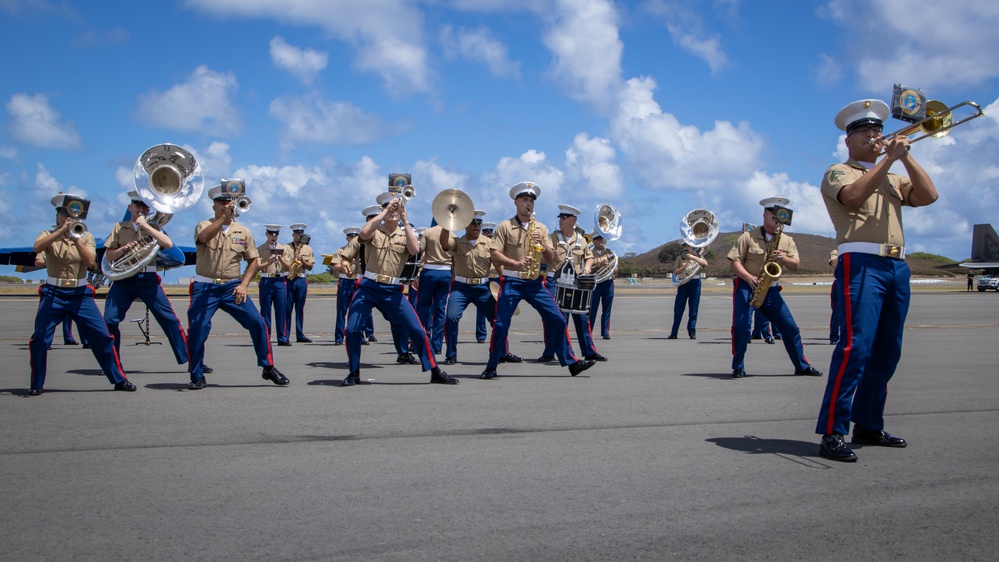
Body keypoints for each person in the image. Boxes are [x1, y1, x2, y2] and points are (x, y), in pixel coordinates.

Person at [815, 99, 938, 462]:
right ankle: (833, 430)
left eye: (877, 131)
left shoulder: (894, 175)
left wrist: (905, 158)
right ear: (848, 140)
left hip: (896, 267)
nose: (874, 136)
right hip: (862, 263)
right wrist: (887, 160)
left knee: (887, 351)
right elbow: (853, 198)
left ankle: (868, 423)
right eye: (865, 132)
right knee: (856, 348)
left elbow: (929, 196)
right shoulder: (840, 171)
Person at [339, 191, 458, 386]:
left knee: (417, 330)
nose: (394, 210)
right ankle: (354, 372)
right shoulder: (375, 231)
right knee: (352, 329)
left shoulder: (405, 233)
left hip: (392, 289)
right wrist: (385, 212)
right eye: (389, 207)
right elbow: (363, 234)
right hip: (369, 286)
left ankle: (434, 370)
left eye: (397, 207)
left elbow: (414, 250)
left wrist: (405, 218)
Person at [480, 182, 596, 380]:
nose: (529, 204)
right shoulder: (505, 226)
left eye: (531, 201)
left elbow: (551, 258)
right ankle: (491, 366)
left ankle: (571, 363)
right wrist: (515, 263)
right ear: (516, 202)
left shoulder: (541, 228)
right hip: (512, 282)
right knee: (501, 325)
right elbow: (494, 255)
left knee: (558, 320)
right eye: (525, 200)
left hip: (535, 283)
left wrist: (543, 243)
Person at [27, 194, 136, 395]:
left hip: (79, 293)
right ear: (58, 215)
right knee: (41, 339)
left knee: (102, 336)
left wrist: (75, 239)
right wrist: (60, 232)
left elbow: (90, 262)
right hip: (54, 293)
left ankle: (119, 379)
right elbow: (37, 248)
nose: (68, 219)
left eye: (73, 216)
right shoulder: (47, 234)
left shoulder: (86, 237)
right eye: (64, 215)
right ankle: (37, 383)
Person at [186, 182, 289, 390]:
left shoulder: (243, 232)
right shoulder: (203, 225)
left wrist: (244, 285)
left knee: (257, 323)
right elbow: (204, 238)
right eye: (222, 202)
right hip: (205, 287)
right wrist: (223, 219)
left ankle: (267, 366)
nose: (226, 206)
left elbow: (253, 260)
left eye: (229, 202)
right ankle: (196, 374)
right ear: (214, 205)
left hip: (232, 287)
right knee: (198, 329)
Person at [727, 196, 823, 380]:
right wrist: (748, 277)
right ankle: (738, 366)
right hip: (747, 286)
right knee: (741, 328)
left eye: (781, 215)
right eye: (773, 213)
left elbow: (795, 265)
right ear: (764, 214)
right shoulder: (748, 237)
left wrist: (784, 259)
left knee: (790, 328)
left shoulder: (786, 240)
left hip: (770, 289)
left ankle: (801, 366)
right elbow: (734, 262)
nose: (776, 218)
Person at [102, 190, 190, 368]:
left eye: (145, 206)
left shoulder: (155, 228)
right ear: (130, 207)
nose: (141, 209)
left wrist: (146, 226)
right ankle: (112, 364)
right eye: (137, 205)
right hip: (124, 279)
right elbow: (110, 256)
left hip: (148, 278)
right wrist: (124, 250)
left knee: (170, 320)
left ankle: (191, 360)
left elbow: (168, 244)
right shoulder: (119, 227)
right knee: (109, 319)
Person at [440, 210, 519, 365]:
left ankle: (503, 352)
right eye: (473, 223)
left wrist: (506, 283)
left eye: (478, 223)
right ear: (465, 225)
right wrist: (446, 223)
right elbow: (444, 243)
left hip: (483, 287)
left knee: (498, 319)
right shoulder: (457, 242)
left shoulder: (489, 243)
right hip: (461, 288)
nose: (476, 226)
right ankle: (451, 354)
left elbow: (498, 264)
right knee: (451, 317)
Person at [538, 204, 605, 362]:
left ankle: (589, 351)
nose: (561, 220)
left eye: (565, 217)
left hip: (575, 282)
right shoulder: (552, 237)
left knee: (581, 317)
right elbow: (544, 256)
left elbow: (588, 257)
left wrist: (587, 268)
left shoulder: (581, 240)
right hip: (555, 281)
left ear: (573, 220)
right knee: (556, 317)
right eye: (561, 217)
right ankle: (549, 352)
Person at [416, 221, 452, 355]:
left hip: (429, 271)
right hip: (446, 272)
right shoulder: (452, 234)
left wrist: (416, 274)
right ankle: (437, 345)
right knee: (440, 310)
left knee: (423, 307)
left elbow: (420, 252)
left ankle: (419, 340)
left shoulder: (428, 232)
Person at [256, 224, 292, 346]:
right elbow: (256, 266)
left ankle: (282, 337)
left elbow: (289, 267)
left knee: (281, 309)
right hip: (267, 279)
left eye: (276, 234)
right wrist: (269, 261)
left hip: (280, 280)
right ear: (267, 234)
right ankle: (266, 336)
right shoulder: (261, 249)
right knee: (265, 310)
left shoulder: (284, 248)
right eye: (271, 234)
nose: (273, 236)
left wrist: (280, 259)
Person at [668, 242, 707, 340]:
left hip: (695, 282)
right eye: (684, 246)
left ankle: (692, 332)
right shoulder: (680, 258)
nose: (685, 248)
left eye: (687, 246)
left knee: (693, 309)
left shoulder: (698, 256)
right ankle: (674, 333)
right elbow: (675, 271)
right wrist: (684, 267)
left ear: (692, 247)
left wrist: (693, 257)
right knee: (678, 309)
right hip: (683, 283)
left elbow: (705, 264)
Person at [285, 223, 315, 343]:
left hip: (301, 279)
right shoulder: (286, 248)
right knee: (287, 309)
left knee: (300, 308)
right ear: (293, 235)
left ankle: (300, 334)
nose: (299, 236)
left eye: (301, 233)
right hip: (289, 279)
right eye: (297, 233)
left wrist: (301, 259)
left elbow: (310, 267)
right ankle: (285, 335)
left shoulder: (307, 249)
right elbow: (285, 265)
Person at [333, 226, 362, 346]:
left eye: (355, 236)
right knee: (341, 310)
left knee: (358, 311)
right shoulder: (341, 251)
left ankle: (359, 336)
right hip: (345, 281)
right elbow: (335, 267)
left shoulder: (362, 252)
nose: (353, 238)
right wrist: (347, 264)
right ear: (347, 238)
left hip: (358, 281)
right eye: (351, 236)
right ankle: (339, 337)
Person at [588, 231, 616, 340]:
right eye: (597, 239)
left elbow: (614, 264)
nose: (600, 241)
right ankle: (589, 331)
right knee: (592, 309)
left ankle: (605, 332)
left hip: (608, 282)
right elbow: (587, 269)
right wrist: (598, 265)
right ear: (593, 241)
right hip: (596, 283)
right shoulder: (589, 253)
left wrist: (615, 269)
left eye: (601, 239)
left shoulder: (609, 252)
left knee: (607, 309)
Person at [474, 221, 499, 343]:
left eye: (490, 232)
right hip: (487, 278)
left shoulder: (496, 244)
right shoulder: (480, 245)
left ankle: (497, 331)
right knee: (482, 308)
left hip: (497, 278)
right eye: (486, 232)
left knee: (498, 307)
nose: (489, 234)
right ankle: (481, 334)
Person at [828, 250, 843, 344]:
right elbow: (835, 264)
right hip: (840, 282)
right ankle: (834, 337)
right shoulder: (835, 252)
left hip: (853, 281)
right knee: (837, 310)